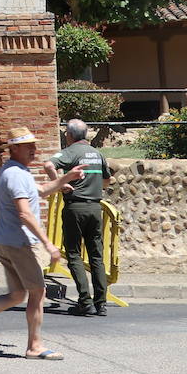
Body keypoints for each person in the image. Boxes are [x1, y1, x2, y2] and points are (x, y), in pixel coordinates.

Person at [0, 128, 85, 361]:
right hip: (19, 243)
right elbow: (24, 213)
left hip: (6, 241)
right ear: (14, 148)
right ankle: (34, 346)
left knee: (17, 295)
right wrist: (48, 244)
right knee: (38, 291)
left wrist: (66, 178)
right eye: (28, 146)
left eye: (34, 145)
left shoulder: (17, 171)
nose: (34, 149)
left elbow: (41, 191)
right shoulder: (15, 174)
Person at [43, 118, 114, 316]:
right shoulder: (97, 154)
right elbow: (107, 180)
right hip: (95, 209)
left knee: (74, 254)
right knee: (96, 256)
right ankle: (101, 303)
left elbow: (48, 165)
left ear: (69, 135)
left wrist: (59, 183)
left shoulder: (70, 152)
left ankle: (85, 301)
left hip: (75, 207)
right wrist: (94, 187)